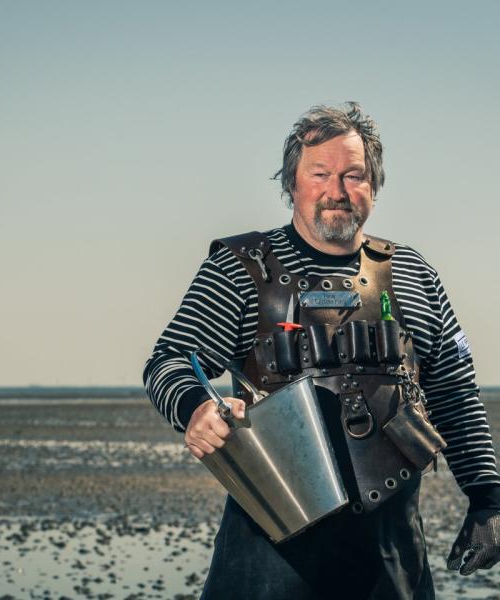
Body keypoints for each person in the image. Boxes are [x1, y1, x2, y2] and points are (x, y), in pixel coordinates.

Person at [143, 102, 500, 599]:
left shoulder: (414, 274)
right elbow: (171, 359)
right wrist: (195, 407)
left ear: (374, 186)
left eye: (354, 175)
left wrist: (487, 500)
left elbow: (455, 391)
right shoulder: (241, 270)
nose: (337, 191)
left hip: (393, 558)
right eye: (320, 173)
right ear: (291, 184)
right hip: (272, 549)